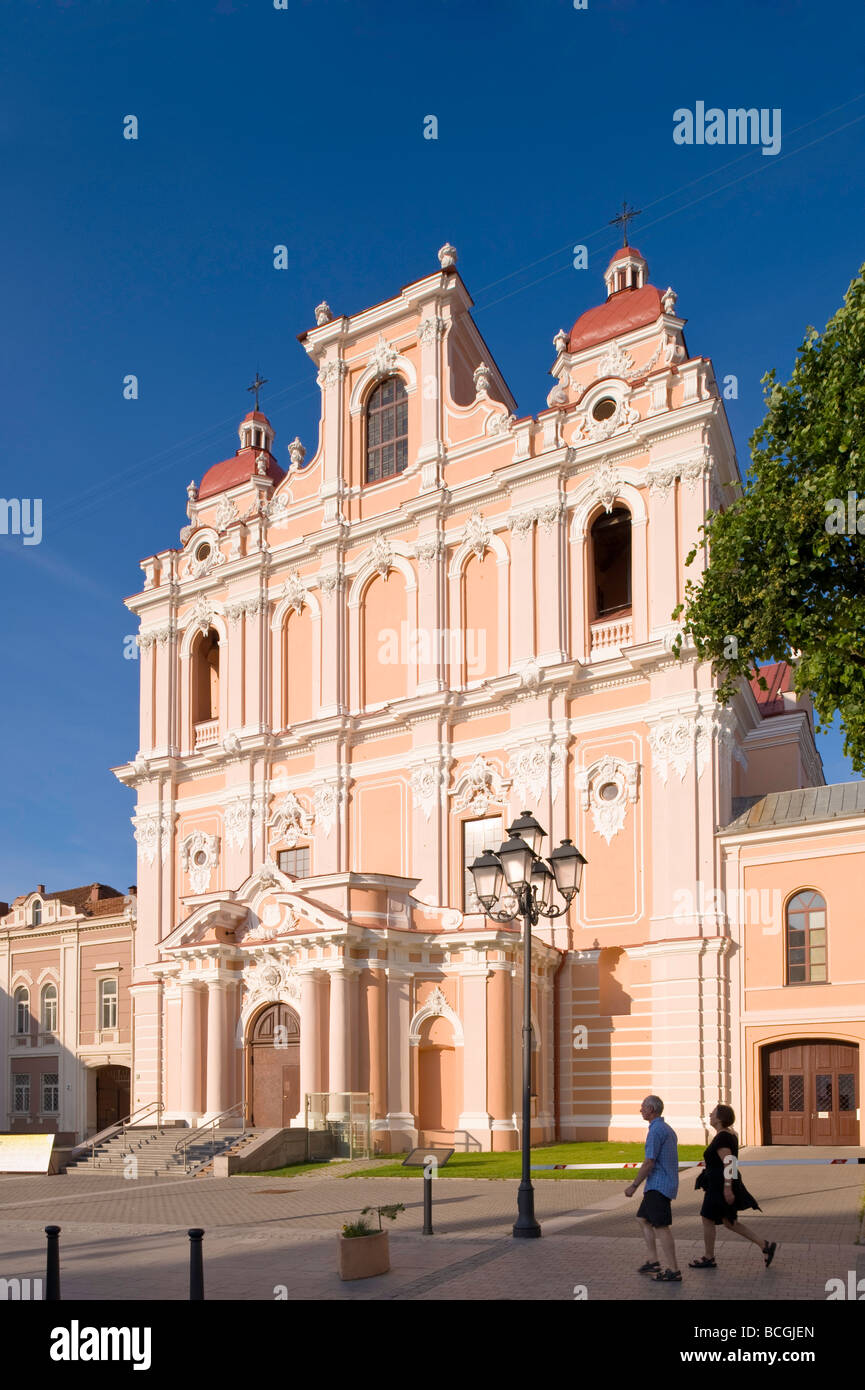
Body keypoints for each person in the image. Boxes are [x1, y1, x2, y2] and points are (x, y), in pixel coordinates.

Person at [689, 1104, 777, 1270]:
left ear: (720, 1118)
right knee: (728, 1221)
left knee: (709, 1218)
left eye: (713, 1113)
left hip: (720, 1186)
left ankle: (709, 1257)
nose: (710, 1115)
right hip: (718, 1184)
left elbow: (729, 1162)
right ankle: (764, 1245)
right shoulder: (727, 1135)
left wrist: (727, 1188)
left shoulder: (723, 1137)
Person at [625, 1095, 682, 1282]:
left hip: (659, 1185)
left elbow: (649, 1162)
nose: (640, 1110)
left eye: (642, 1107)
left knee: (661, 1226)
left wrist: (634, 1185)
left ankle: (673, 1269)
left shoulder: (656, 1131)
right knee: (642, 1218)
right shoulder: (665, 1128)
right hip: (660, 1185)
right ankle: (653, 1260)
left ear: (651, 1109)